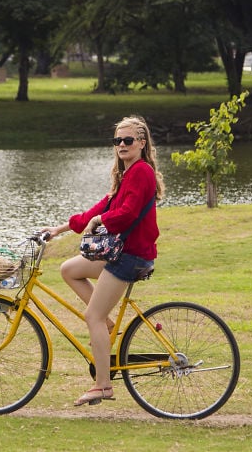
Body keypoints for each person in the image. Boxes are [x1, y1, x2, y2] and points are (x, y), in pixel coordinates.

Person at [40, 115, 164, 407]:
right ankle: (107, 324)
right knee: (69, 269)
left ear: (142, 143)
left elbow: (127, 214)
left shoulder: (141, 172)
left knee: (90, 316)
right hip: (124, 252)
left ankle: (103, 386)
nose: (122, 144)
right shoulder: (127, 174)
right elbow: (100, 208)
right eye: (117, 140)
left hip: (131, 256)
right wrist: (59, 229)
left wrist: (100, 220)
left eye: (128, 140)